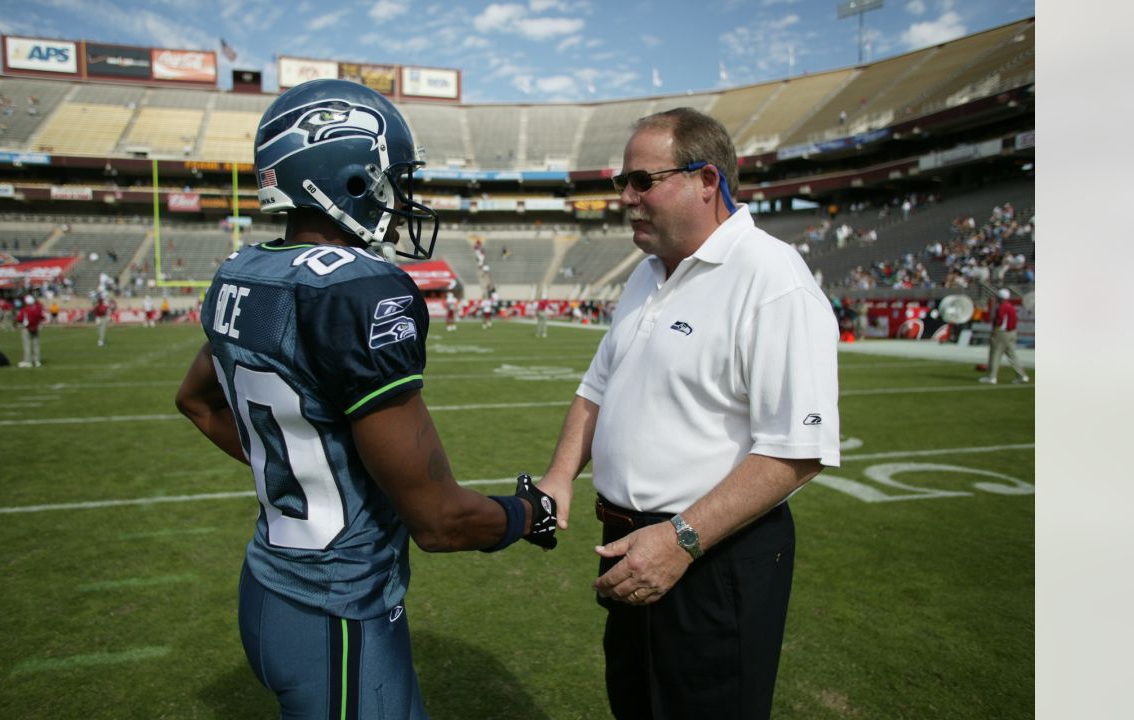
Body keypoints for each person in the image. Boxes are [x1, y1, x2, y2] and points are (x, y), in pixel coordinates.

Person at [173, 79, 558, 720]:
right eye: (390, 179)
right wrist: (527, 515)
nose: (400, 197)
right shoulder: (360, 290)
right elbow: (439, 521)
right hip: (340, 614)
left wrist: (304, 472)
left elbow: (199, 403)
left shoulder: (242, 272)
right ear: (346, 177)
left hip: (266, 588)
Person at [537, 108, 841, 720]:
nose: (626, 198)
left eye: (642, 181)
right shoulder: (647, 274)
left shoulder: (772, 277)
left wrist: (680, 540)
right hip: (628, 544)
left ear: (706, 180)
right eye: (624, 182)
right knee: (637, 706)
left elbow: (797, 450)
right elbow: (596, 388)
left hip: (712, 554)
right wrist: (558, 477)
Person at [979, 288, 1030, 384]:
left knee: (995, 354)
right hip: (1012, 332)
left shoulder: (1002, 307)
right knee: (1012, 355)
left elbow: (999, 321)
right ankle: (1022, 376)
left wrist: (994, 332)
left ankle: (992, 377)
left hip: (1002, 333)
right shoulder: (1011, 306)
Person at [15, 294, 45, 367]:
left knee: (27, 345)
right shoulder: (37, 309)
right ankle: (37, 360)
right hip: (35, 327)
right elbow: (41, 317)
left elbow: (19, 319)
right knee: (35, 344)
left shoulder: (25, 309)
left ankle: (27, 361)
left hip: (27, 328)